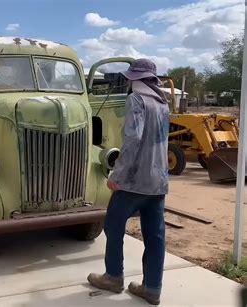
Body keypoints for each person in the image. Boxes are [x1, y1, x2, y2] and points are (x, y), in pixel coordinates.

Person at [87, 58, 170, 305]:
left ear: (136, 78)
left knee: (113, 226)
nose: (127, 80)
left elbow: (133, 140)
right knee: (155, 236)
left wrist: (118, 175)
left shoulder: (136, 100)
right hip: (158, 181)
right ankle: (152, 288)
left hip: (135, 179)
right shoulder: (162, 103)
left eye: (130, 77)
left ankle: (113, 277)